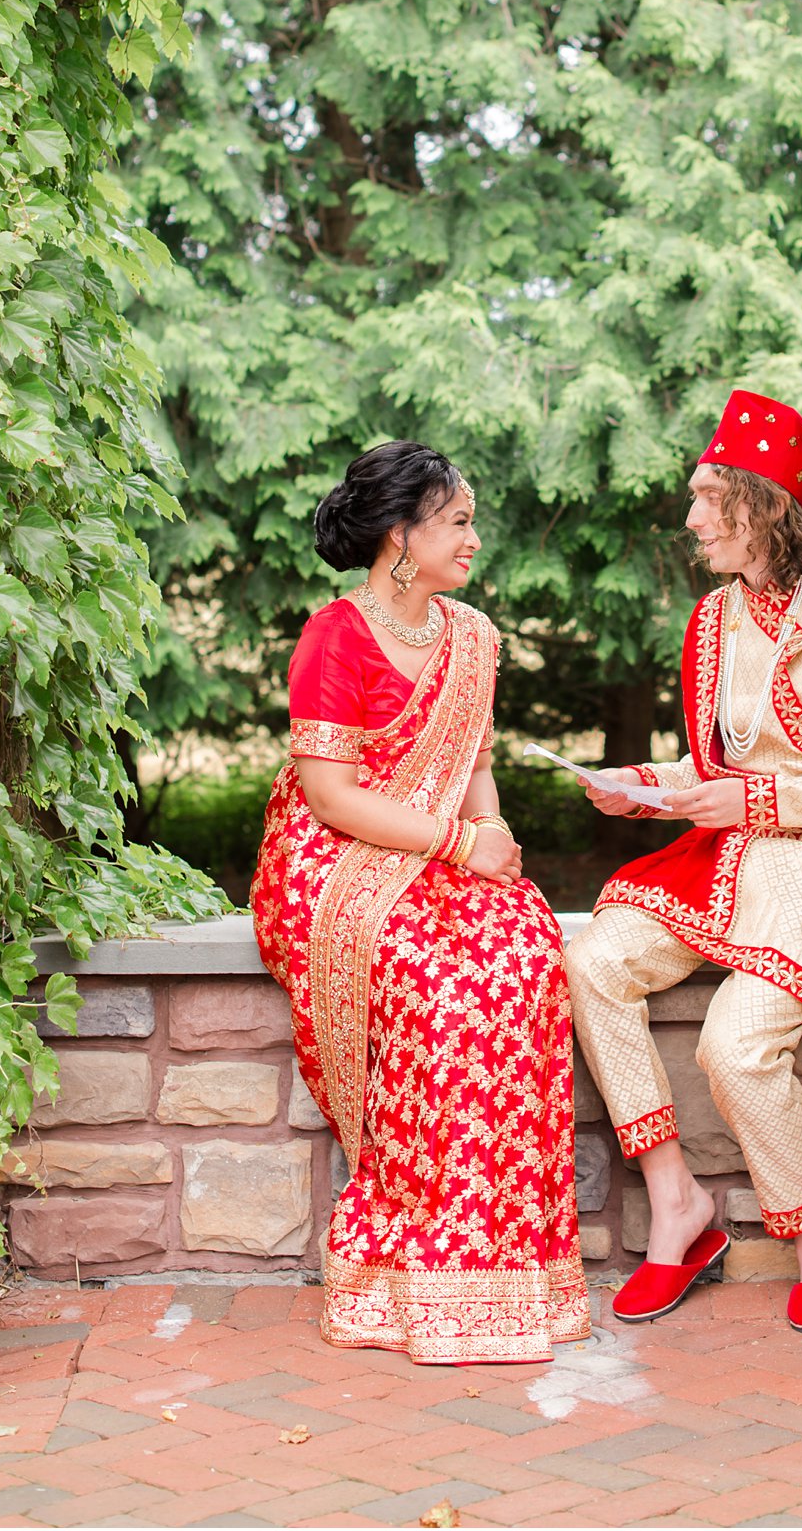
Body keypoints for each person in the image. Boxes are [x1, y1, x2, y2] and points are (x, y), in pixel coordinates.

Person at [564, 390, 802, 1336]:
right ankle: (677, 1207)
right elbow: (720, 767)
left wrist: (763, 802)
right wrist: (645, 782)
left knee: (734, 1049)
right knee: (593, 961)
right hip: (735, 850)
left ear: (761, 502)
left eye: (705, 498)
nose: (690, 519)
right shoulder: (712, 620)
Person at [251, 441, 589, 1364]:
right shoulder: (337, 634)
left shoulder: (472, 636)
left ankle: (511, 1266)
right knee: (441, 986)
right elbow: (331, 796)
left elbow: (473, 765)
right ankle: (412, 1259)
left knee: (522, 954)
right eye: (458, 521)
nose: (475, 538)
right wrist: (453, 842)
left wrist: (496, 842)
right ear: (401, 535)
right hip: (334, 857)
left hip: (442, 847)